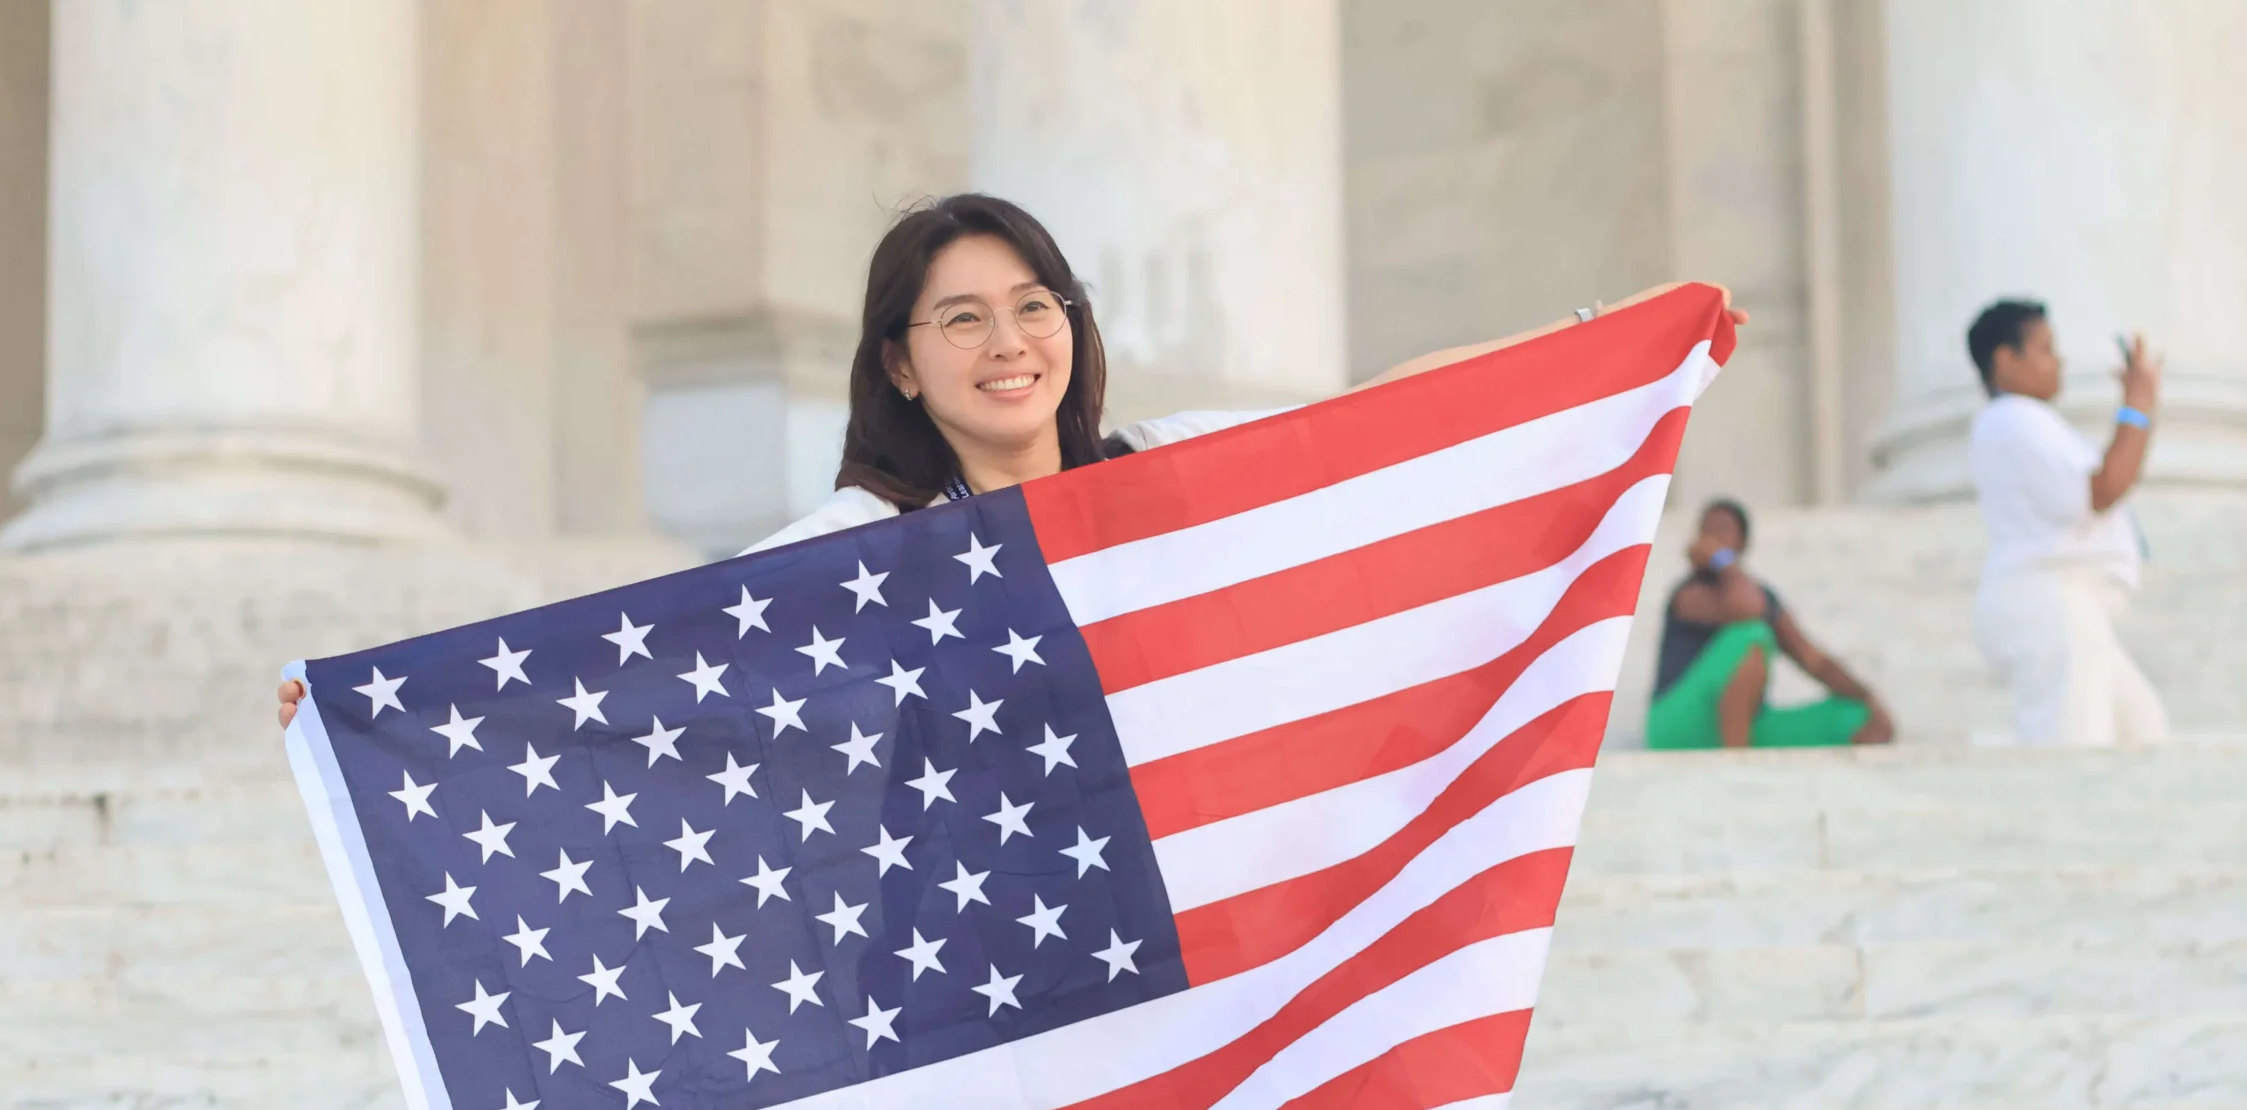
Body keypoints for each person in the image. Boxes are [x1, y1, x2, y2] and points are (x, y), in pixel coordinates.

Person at [280, 193, 1745, 726]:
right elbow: (648, 650)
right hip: (976, 953)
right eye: (961, 317)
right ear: (902, 361)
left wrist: (1592, 341)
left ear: (1071, 326)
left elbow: (1373, 425)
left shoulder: (1162, 467)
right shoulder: (860, 536)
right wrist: (386, 703)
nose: (1008, 342)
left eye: (1032, 305)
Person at [1964, 299, 2168, 746]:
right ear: (2006, 359)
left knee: (2142, 731)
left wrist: (2140, 403)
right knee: (2076, 749)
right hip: (2049, 599)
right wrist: (2137, 403)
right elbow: (2103, 488)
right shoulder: (2014, 418)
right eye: (2045, 349)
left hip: (2067, 602)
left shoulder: (2025, 423)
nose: (2059, 362)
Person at [1645, 498, 1892, 750]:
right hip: (1678, 726)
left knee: (1853, 716)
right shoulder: (1688, 593)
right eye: (1705, 530)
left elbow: (1813, 659)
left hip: (1741, 726)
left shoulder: (1760, 596)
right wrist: (1722, 561)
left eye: (1721, 529)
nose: (1711, 537)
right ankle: (1737, 765)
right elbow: (1745, 610)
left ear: (1742, 543)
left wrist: (1869, 698)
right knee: (1752, 636)